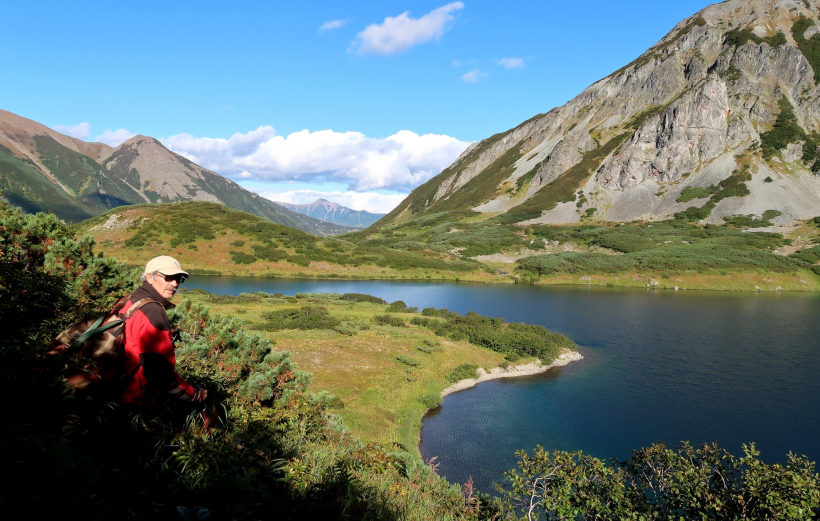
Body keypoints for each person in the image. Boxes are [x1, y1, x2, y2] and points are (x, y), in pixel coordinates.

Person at [119, 255, 207, 407]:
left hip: (109, 389)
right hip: (134, 401)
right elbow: (159, 370)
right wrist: (194, 394)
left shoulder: (129, 301)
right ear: (149, 277)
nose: (175, 283)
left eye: (179, 278)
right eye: (168, 277)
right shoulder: (152, 311)